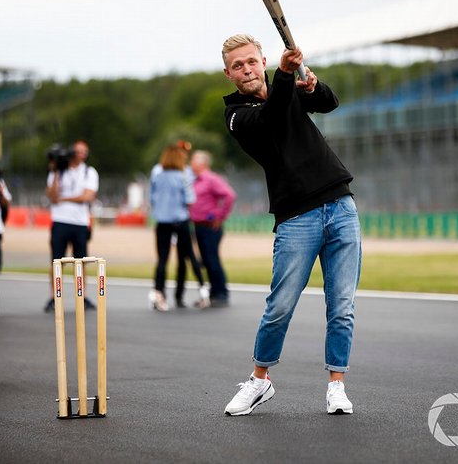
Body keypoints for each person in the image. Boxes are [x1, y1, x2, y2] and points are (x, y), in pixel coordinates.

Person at [220, 34, 362, 416]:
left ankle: (337, 386)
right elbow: (271, 116)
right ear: (228, 73)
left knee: (342, 307)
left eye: (251, 61)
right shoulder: (236, 115)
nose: (247, 69)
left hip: (340, 205)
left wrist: (314, 85)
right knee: (280, 306)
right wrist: (284, 76)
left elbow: (328, 103)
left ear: (262, 60)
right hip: (296, 217)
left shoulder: (289, 88)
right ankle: (260, 380)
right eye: (238, 65)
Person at [149, 143, 206, 311]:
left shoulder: (157, 175)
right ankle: (203, 291)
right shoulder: (183, 175)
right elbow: (190, 199)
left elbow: (152, 198)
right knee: (189, 256)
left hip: (162, 221)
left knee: (162, 259)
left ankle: (158, 293)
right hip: (180, 221)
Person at [44, 140, 98, 313]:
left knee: (80, 261)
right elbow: (52, 196)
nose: (81, 155)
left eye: (84, 152)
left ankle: (82, 295)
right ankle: (55, 296)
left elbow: (87, 196)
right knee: (56, 261)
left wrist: (65, 199)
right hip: (60, 220)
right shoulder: (59, 171)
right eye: (78, 151)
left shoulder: (89, 172)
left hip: (80, 222)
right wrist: (55, 172)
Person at [189, 150, 236, 307]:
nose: (191, 164)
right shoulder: (196, 180)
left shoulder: (211, 179)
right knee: (206, 260)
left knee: (211, 259)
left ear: (202, 163)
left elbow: (229, 195)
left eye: (193, 161)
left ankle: (221, 292)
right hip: (199, 225)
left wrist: (220, 216)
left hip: (210, 226)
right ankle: (214, 291)